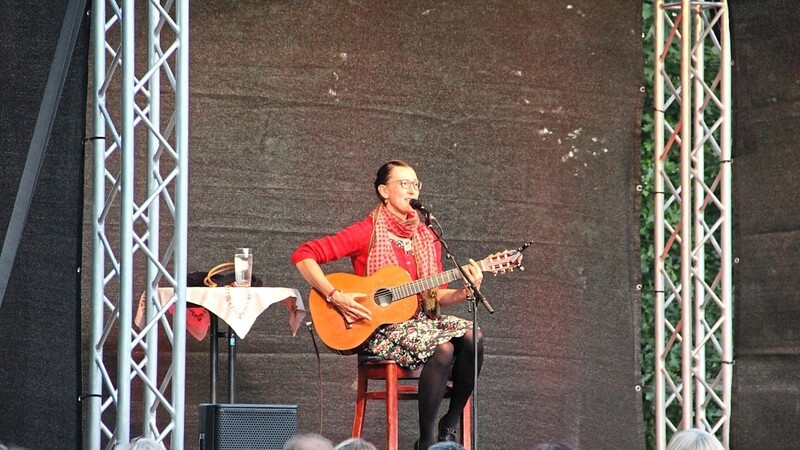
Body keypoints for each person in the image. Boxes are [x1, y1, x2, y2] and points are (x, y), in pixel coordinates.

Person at [292, 160, 485, 450]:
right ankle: (428, 440)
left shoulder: (427, 235)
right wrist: (334, 295)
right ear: (384, 190)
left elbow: (438, 294)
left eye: (415, 184)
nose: (412, 189)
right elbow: (304, 254)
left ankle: (449, 424)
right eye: (403, 183)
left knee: (475, 336)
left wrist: (465, 292)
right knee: (443, 347)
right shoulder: (366, 231)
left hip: (422, 324)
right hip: (378, 329)